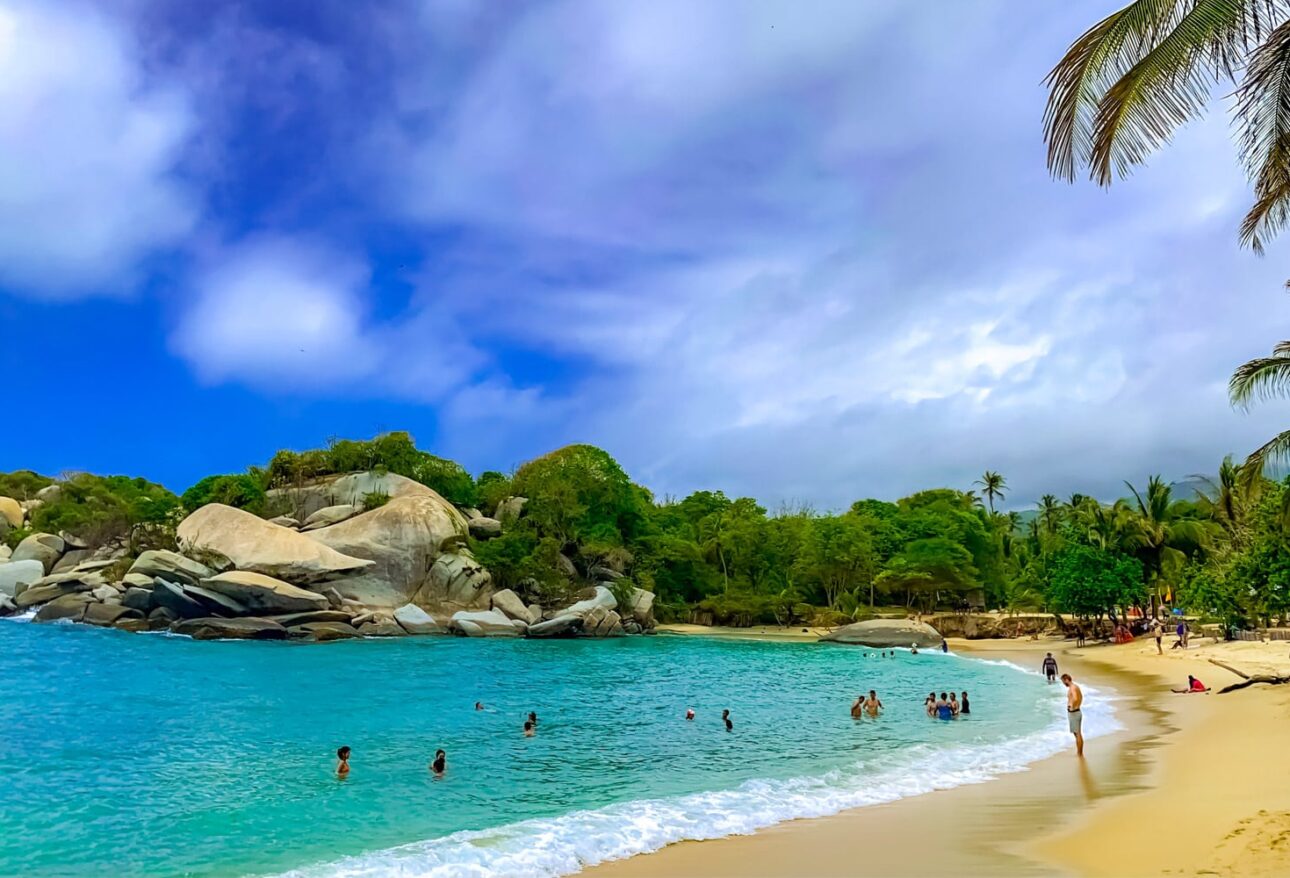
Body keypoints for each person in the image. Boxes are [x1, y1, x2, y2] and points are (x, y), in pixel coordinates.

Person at [1061, 673, 1084, 757]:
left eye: (1063, 682)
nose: (1064, 684)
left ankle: (1079, 753)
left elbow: (1076, 698)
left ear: (1066, 680)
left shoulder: (1072, 688)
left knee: (1077, 733)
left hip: (1074, 712)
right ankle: (1079, 752)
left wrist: (1071, 705)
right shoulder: (1076, 687)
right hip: (1076, 711)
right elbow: (1081, 697)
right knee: (1077, 733)